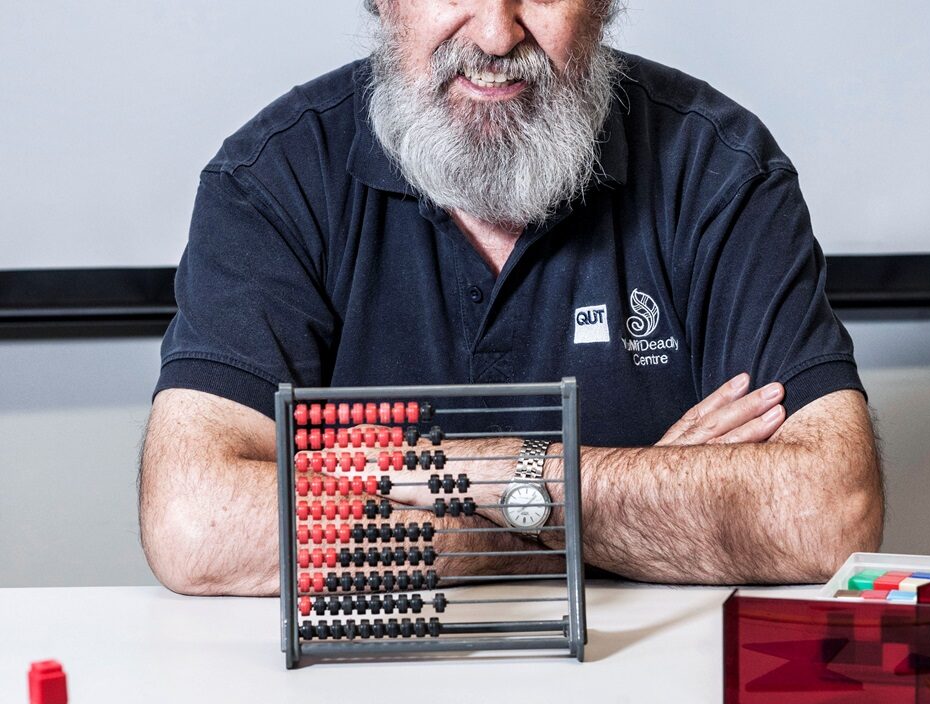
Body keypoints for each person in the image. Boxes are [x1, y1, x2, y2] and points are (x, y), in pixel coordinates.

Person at [140, 0, 883, 596]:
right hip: (360, 693)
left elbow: (830, 513)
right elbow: (194, 522)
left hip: (648, 686)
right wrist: (622, 502)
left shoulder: (720, 168)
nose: (497, 34)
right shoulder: (272, 178)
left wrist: (466, 475)